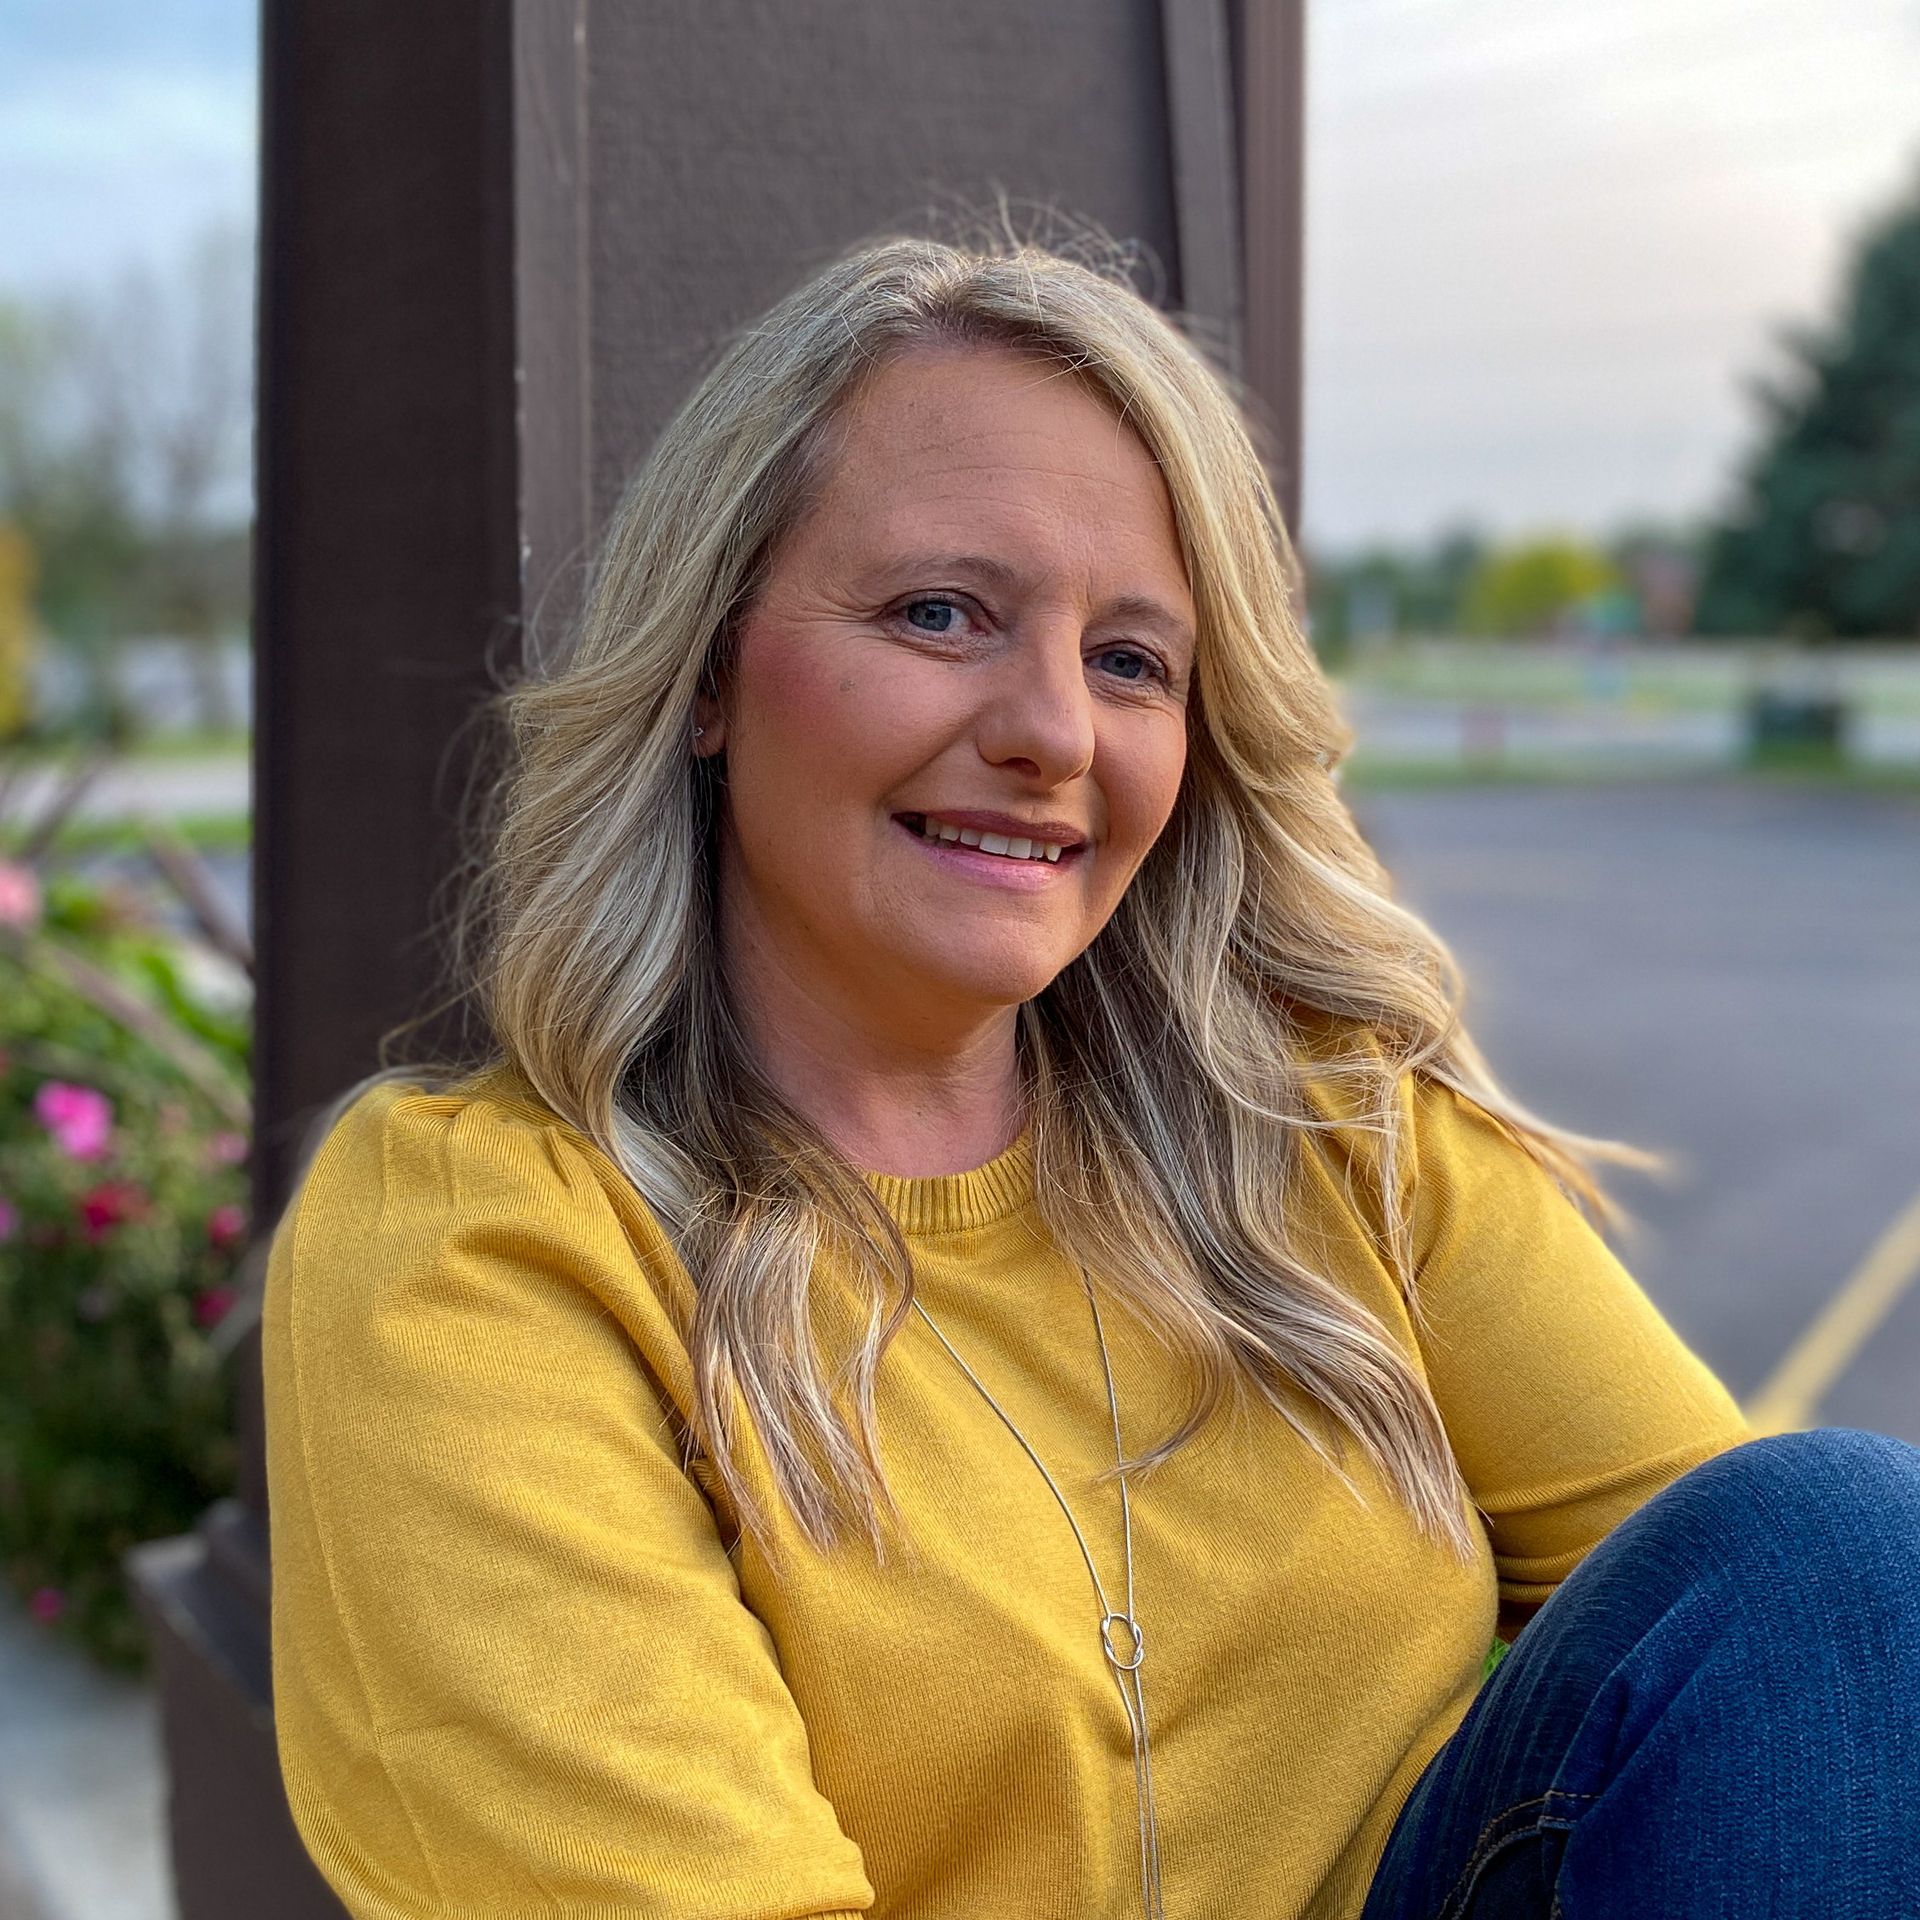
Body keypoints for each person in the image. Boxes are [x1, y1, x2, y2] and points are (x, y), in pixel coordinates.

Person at [260, 231, 1920, 1920]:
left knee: (1836, 1551)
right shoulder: (479, 1246)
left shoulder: (1322, 1125)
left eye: (1132, 659)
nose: (1054, 728)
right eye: (938, 612)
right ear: (705, 673)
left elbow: (1783, 1671)